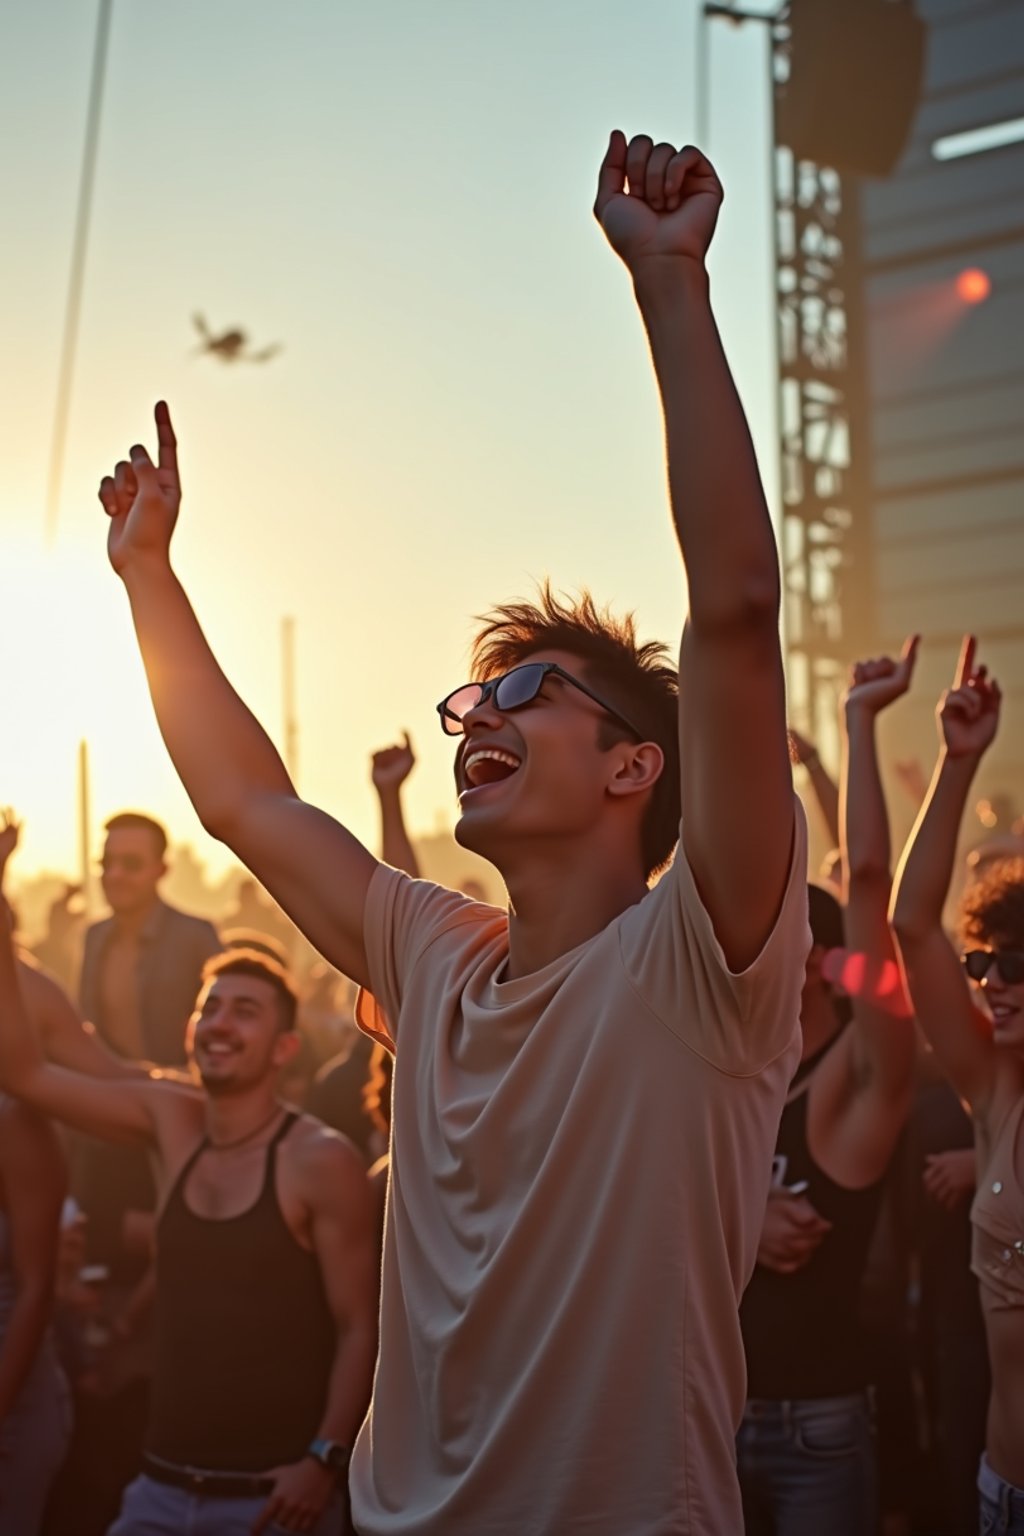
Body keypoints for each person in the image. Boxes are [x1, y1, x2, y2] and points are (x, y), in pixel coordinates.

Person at [96, 133, 809, 1534]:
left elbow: (732, 607)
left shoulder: (700, 965)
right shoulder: (434, 955)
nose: (480, 716)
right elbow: (247, 804)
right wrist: (146, 581)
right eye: (472, 696)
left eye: (533, 693)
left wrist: (670, 280)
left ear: (634, 770)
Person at [0, 928, 378, 1536]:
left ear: (284, 1048)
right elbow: (24, 1075)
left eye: (245, 1012)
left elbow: (360, 1327)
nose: (221, 1023)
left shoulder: (320, 1161)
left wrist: (324, 1462)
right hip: (160, 1490)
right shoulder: (170, 1122)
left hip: (272, 1501)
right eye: (211, 1008)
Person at [738, 642, 920, 1535]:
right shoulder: (717, 1078)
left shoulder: (854, 1079)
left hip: (819, 1428)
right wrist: (742, 1219)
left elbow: (874, 896)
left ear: (812, 961)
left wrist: (854, 727)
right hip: (700, 1421)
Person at [891, 636, 1024, 1534]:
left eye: (1015, 961)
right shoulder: (993, 1088)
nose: (991, 982)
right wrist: (956, 761)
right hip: (1000, 1491)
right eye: (982, 961)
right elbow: (909, 923)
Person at [81, 812, 220, 1068]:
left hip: (184, 1096)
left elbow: (224, 1027)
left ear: (162, 870)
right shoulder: (95, 937)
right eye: (106, 863)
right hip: (110, 1095)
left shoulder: (196, 936)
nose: (115, 874)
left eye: (131, 864)